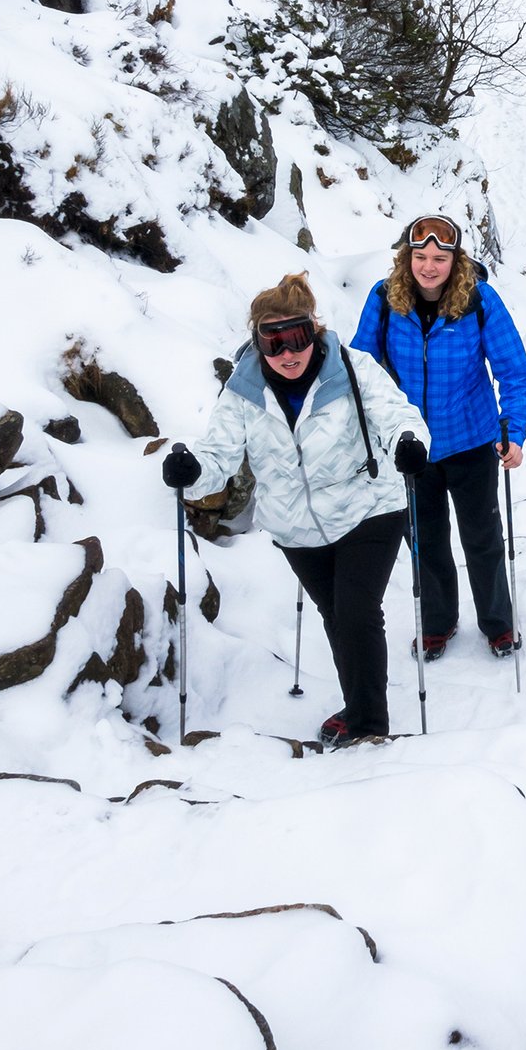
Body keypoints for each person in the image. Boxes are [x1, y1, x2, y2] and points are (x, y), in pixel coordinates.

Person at [161, 273, 428, 747]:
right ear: (257, 342)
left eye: (298, 337)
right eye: (273, 342)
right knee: (336, 615)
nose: (288, 353)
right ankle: (358, 707)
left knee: (356, 612)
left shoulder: (352, 368)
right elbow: (218, 456)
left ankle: (370, 726)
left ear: (314, 330)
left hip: (368, 506)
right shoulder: (243, 391)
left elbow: (397, 416)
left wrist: (409, 443)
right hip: (295, 526)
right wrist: (191, 472)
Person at [353, 213, 526, 660]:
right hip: (411, 446)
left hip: (472, 441)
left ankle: (498, 623)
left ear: (456, 260)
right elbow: (362, 370)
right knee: (425, 541)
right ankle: (438, 623)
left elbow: (514, 370)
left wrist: (512, 430)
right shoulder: (384, 299)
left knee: (483, 537)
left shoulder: (479, 300)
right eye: (421, 256)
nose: (429, 267)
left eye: (440, 258)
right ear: (407, 257)